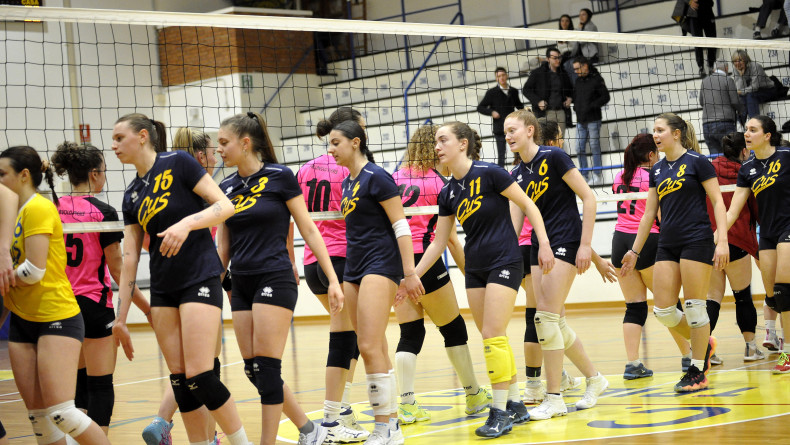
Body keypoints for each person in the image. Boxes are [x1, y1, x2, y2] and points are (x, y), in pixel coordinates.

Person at [404, 120, 551, 438]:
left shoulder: (490, 173)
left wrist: (544, 244)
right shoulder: (447, 192)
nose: (437, 147)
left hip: (505, 261)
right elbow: (438, 242)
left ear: (463, 144)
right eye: (435, 142)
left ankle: (499, 413)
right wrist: (412, 275)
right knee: (492, 337)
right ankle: (515, 403)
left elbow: (528, 205)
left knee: (492, 335)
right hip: (475, 268)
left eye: (443, 140)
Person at [110, 114, 251, 445]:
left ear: (142, 136)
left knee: (201, 375)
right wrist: (121, 317)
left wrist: (187, 224)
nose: (113, 145)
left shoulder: (178, 162)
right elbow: (129, 258)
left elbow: (225, 206)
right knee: (181, 380)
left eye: (119, 138)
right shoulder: (131, 194)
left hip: (198, 276)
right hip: (163, 288)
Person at [215, 111, 344, 445]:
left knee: (268, 368)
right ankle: (311, 431)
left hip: (274, 277)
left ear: (245, 143)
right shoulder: (226, 187)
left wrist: (332, 279)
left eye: (224, 142)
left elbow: (308, 229)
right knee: (253, 369)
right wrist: (209, 285)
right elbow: (223, 245)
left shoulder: (280, 176)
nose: (219, 150)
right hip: (240, 283)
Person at [0, 145, 111, 445]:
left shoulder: (38, 207)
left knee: (62, 413)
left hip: (55, 316)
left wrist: (4, 278)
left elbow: (33, 271)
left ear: (24, 175)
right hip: (21, 319)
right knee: (39, 418)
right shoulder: (9, 215)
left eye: (2, 174)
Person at [506, 110, 608, 421]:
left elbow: (589, 198)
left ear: (530, 130)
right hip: (539, 246)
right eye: (505, 131)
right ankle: (594, 379)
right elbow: (515, 222)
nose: (508, 136)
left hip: (565, 239)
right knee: (554, 322)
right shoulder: (516, 173)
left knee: (545, 318)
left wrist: (586, 246)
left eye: (513, 130)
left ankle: (554, 398)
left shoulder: (554, 157)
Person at [328, 119, 423, 445]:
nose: (331, 149)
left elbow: (401, 226)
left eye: (336, 143)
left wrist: (409, 273)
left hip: (380, 265)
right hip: (353, 268)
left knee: (368, 346)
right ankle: (390, 423)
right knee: (375, 345)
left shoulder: (377, 177)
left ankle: (385, 428)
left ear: (355, 142)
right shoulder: (347, 183)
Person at [621, 112, 728, 393]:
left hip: (696, 240)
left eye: (660, 130)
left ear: (676, 134)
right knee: (665, 311)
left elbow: (718, 202)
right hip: (667, 243)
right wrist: (634, 251)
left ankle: (697, 370)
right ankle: (704, 341)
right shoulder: (656, 170)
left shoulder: (697, 162)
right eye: (654, 131)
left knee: (694, 308)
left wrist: (722, 241)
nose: (655, 135)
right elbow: (649, 214)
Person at [391, 124, 491, 424]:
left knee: (410, 333)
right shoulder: (440, 184)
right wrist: (471, 274)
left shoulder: (394, 178)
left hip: (395, 264)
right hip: (425, 262)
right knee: (454, 329)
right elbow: (449, 240)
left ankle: (406, 405)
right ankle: (474, 395)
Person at [51, 142, 153, 436]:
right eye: (104, 171)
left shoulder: (52, 209)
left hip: (62, 307)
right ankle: (99, 441)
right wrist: (148, 310)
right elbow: (119, 271)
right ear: (94, 174)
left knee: (78, 385)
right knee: (100, 384)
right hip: (94, 306)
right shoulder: (103, 212)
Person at [141, 127, 223, 445]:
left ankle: (170, 423)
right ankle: (200, 433)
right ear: (201, 156)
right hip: (199, 282)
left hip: (170, 283)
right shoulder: (202, 192)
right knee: (204, 366)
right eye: (213, 151)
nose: (217, 156)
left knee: (187, 367)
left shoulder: (165, 188)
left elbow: (148, 241)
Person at [298, 107, 369, 443]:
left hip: (312, 262)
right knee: (345, 338)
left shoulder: (305, 169)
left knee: (352, 335)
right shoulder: (350, 167)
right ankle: (335, 415)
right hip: (340, 260)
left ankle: (342, 409)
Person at [611, 134, 693, 379]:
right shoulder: (654, 176)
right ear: (651, 155)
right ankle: (689, 357)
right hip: (646, 241)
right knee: (669, 304)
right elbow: (658, 216)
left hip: (619, 242)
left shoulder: (619, 176)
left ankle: (633, 364)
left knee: (634, 307)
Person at [725, 115, 790, 374]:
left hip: (788, 229)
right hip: (768, 234)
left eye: (753, 130)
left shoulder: (786, 156)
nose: (747, 134)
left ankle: (787, 353)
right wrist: (717, 237)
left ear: (767, 135)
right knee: (773, 297)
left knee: (784, 292)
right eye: (746, 129)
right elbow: (733, 211)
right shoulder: (747, 169)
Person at [703, 132, 764, 364]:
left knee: (712, 299)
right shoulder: (747, 172)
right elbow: (756, 210)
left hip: (712, 240)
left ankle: (704, 351)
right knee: (742, 297)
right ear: (744, 151)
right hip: (737, 241)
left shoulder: (708, 170)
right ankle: (750, 348)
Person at [572, 56, 610, 185]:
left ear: (585, 66)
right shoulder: (577, 81)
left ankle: (597, 174)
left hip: (594, 119)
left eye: (578, 68)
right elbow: (576, 97)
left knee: (594, 146)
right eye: (574, 69)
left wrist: (592, 106)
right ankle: (584, 175)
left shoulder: (596, 79)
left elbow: (606, 97)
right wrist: (576, 107)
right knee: (578, 148)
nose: (576, 71)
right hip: (580, 120)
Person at [476, 67, 524, 167]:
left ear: (507, 76)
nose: (501, 78)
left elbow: (519, 106)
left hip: (513, 128)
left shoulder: (513, 91)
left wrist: (525, 112)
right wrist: (491, 112)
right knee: (501, 155)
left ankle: (521, 170)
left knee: (518, 153)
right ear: (496, 78)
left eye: (503, 75)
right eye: (498, 76)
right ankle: (500, 175)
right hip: (499, 128)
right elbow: (480, 107)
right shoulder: (492, 92)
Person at [522, 47, 573, 137]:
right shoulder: (538, 73)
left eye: (559, 57)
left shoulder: (563, 73)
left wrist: (570, 98)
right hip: (545, 113)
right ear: (548, 59)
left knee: (560, 140)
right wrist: (538, 101)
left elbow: (571, 89)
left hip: (561, 112)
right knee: (545, 140)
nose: (558, 60)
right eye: (555, 58)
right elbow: (526, 90)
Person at [700, 60, 744, 156]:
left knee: (717, 159)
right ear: (727, 68)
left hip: (707, 125)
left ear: (714, 69)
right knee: (731, 156)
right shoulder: (728, 80)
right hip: (724, 123)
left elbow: (701, 102)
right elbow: (735, 101)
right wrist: (742, 112)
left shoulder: (704, 81)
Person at [732, 49, 782, 121]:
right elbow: (740, 88)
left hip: (768, 90)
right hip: (751, 92)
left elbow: (754, 87)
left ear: (746, 60)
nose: (737, 63)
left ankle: (754, 121)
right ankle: (740, 124)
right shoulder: (736, 70)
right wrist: (741, 76)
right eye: (735, 61)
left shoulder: (756, 66)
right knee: (741, 98)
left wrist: (740, 91)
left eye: (740, 60)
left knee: (750, 95)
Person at [685, 0, 717, 77]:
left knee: (712, 40)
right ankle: (701, 67)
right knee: (697, 42)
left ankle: (711, 65)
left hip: (707, 10)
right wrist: (689, 1)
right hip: (694, 15)